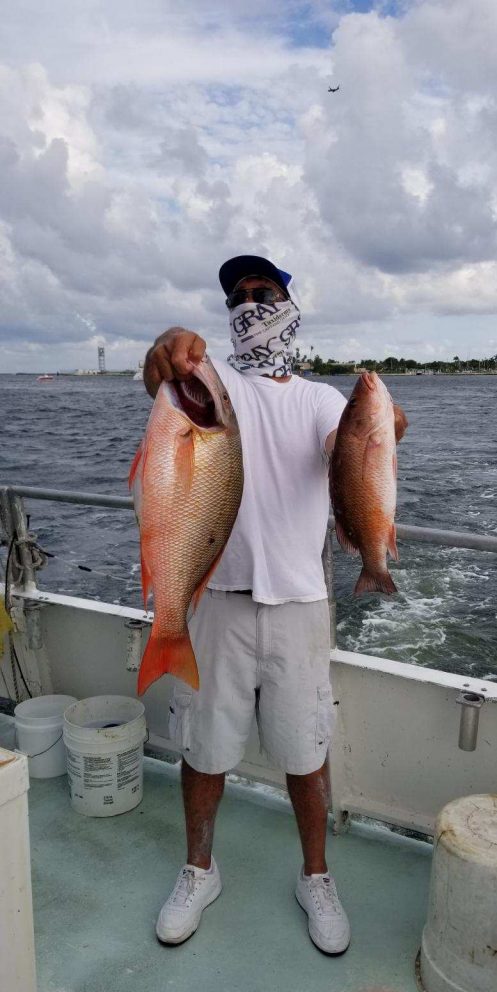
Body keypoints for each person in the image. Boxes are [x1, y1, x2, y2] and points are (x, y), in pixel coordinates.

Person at [143, 254, 348, 954]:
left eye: (263, 292)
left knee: (305, 751)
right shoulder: (212, 383)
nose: (248, 303)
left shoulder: (322, 399)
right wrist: (167, 343)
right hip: (213, 600)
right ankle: (198, 868)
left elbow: (346, 447)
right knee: (203, 749)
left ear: (291, 305)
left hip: (299, 606)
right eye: (236, 295)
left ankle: (314, 875)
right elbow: (162, 373)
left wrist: (375, 432)